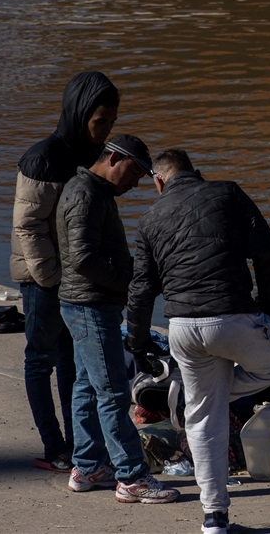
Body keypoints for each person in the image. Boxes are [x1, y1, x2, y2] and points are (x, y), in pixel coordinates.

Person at [125, 149, 270, 534]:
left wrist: (137, 343)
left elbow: (141, 289)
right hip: (233, 317)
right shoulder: (227, 192)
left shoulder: (150, 216)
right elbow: (266, 254)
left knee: (204, 416)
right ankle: (199, 396)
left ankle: (214, 518)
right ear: (196, 173)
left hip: (183, 328)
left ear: (158, 181)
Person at [56, 134, 179, 504]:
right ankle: (132, 477)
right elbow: (83, 258)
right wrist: (128, 283)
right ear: (113, 158)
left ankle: (88, 465)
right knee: (112, 391)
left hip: (83, 304)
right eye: (134, 172)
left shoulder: (93, 191)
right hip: (91, 306)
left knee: (86, 387)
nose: (136, 182)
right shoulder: (85, 194)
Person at [10, 71, 120, 472]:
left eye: (110, 121)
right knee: (41, 359)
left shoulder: (93, 156)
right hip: (43, 279)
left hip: (75, 280)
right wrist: (51, 278)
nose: (106, 129)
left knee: (73, 362)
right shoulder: (43, 157)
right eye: (100, 121)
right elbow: (29, 226)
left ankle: (80, 447)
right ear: (79, 112)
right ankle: (54, 445)